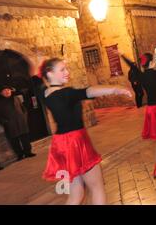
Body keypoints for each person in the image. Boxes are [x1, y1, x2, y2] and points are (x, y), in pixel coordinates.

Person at [39, 58, 132, 205]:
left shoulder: (45, 94)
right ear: (49, 73)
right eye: (62, 70)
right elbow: (88, 91)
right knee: (97, 187)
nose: (67, 72)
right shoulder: (66, 93)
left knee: (77, 193)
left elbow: (36, 81)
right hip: (76, 142)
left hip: (61, 143)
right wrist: (115, 89)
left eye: (66, 68)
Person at [0, 86, 35, 161]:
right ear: (1, 93)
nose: (7, 91)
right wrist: (5, 122)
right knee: (14, 141)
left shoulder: (16, 98)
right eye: (5, 90)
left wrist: (24, 117)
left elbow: (23, 109)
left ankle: (28, 152)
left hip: (21, 122)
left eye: (8, 90)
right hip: (10, 124)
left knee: (25, 138)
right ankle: (20, 154)